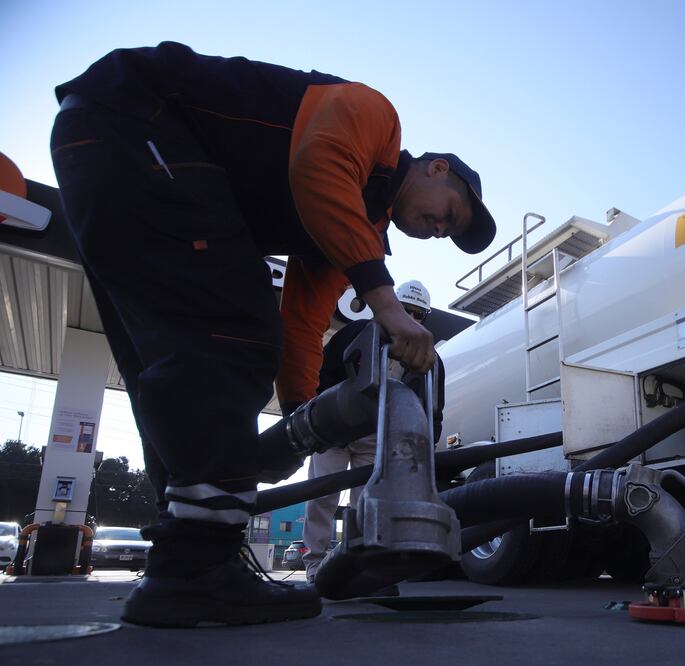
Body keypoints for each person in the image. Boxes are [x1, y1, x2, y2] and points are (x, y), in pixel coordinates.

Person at [49, 42, 495, 628]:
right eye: (450, 214)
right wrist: (386, 304)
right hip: (136, 118)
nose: (439, 230)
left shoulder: (347, 226)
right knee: (228, 323)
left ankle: (187, 558)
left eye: (447, 232)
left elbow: (302, 324)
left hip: (110, 150)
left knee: (166, 356)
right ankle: (198, 571)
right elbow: (319, 165)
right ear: (438, 169)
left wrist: (297, 423)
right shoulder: (373, 120)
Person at [301, 280, 444, 589]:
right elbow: (321, 373)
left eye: (419, 315)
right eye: (406, 311)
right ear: (392, 307)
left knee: (366, 502)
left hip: (373, 436)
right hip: (334, 431)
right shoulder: (357, 333)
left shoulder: (427, 357)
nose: (412, 320)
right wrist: (316, 417)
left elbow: (432, 409)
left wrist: (425, 449)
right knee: (322, 495)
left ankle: (354, 564)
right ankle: (315, 562)